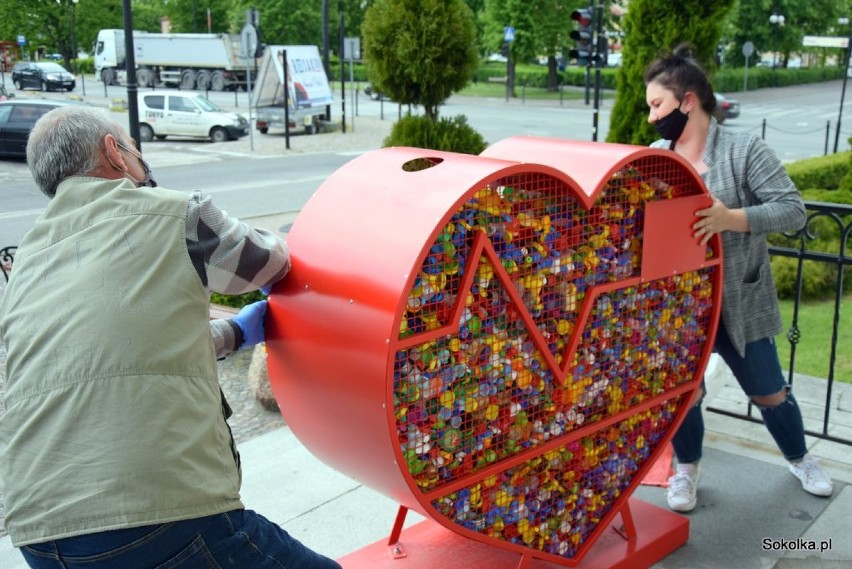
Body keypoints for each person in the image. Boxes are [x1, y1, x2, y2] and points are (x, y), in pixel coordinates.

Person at [0, 106, 341, 569]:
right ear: (114, 153)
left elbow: (125, 346)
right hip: (151, 515)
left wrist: (235, 332)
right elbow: (267, 262)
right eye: (134, 148)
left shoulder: (27, 261)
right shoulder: (177, 214)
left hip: (39, 535)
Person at [644, 43, 834, 513]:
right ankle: (686, 469)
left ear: (688, 100)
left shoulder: (745, 149)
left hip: (739, 302)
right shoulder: (655, 156)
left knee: (768, 391)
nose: (651, 118)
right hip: (679, 306)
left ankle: (800, 458)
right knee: (684, 393)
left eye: (657, 105)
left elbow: (792, 210)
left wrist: (732, 218)